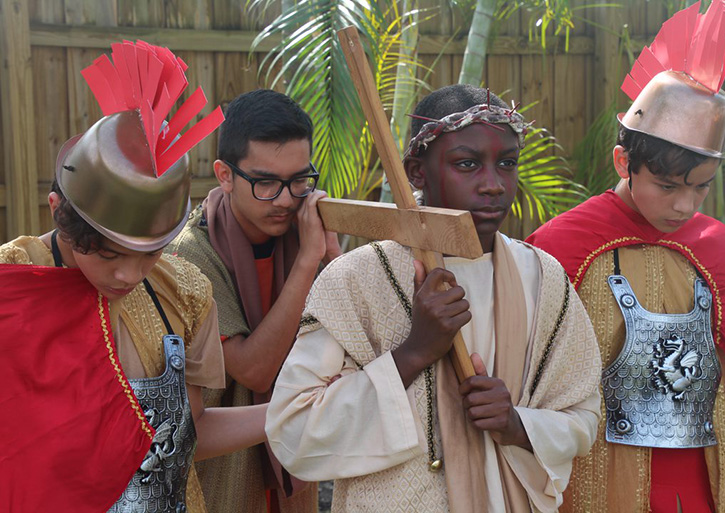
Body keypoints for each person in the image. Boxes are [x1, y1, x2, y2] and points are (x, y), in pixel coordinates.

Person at [265, 84, 603, 512]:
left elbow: (583, 415)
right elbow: (293, 430)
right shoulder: (356, 280)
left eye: (507, 163)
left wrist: (519, 424)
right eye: (468, 164)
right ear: (417, 172)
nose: (494, 185)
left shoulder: (543, 278)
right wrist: (413, 352)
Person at [0, 41, 269, 513]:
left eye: (149, 253)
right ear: (60, 213)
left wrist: (289, 414)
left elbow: (184, 433)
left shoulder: (185, 294)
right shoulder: (12, 284)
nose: (127, 274)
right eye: (107, 253)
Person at [526, 1, 725, 511]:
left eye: (700, 188)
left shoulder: (717, 250)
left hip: (702, 484)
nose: (684, 205)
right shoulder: (561, 246)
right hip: (592, 485)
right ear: (624, 161)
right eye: (666, 186)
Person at [167, 89, 340, 512]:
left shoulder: (308, 233)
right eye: (265, 183)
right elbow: (255, 370)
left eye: (299, 180)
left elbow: (352, 333)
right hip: (224, 476)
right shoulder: (192, 255)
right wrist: (308, 262)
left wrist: (334, 257)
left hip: (294, 472)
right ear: (225, 175)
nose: (285, 199)